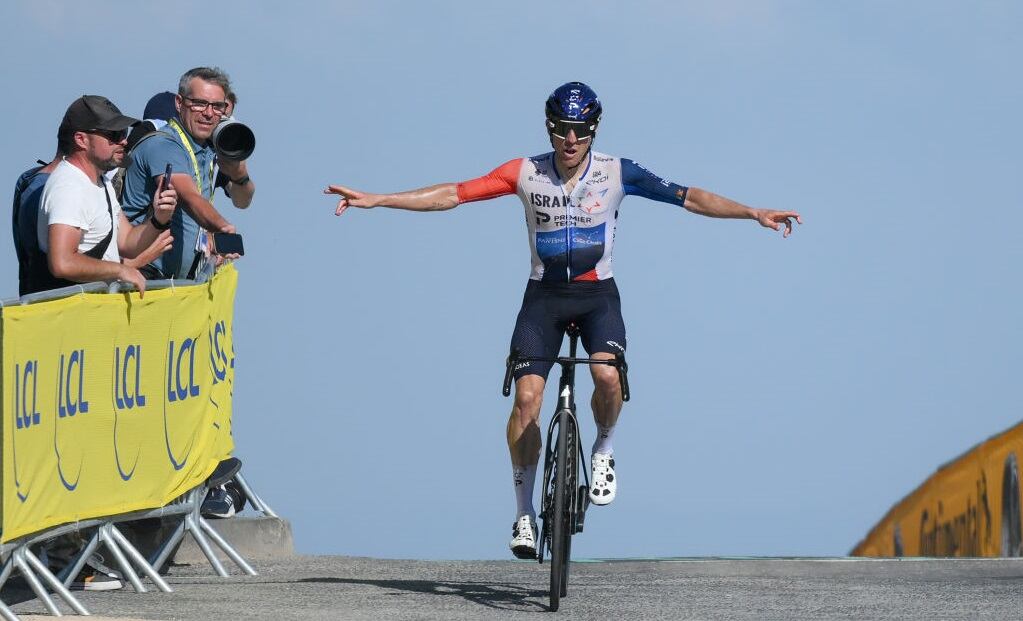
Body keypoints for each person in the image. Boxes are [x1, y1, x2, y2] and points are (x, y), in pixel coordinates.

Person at [325, 82, 802, 559]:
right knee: (527, 401)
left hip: (597, 297)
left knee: (606, 376)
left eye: (579, 131)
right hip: (544, 298)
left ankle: (603, 450)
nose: (570, 140)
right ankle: (523, 514)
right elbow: (454, 194)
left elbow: (689, 197)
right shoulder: (525, 173)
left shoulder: (618, 172)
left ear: (593, 130)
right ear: (549, 129)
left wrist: (752, 212)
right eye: (560, 130)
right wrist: (379, 198)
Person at [35, 95, 177, 298]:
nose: (124, 140)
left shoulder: (101, 182)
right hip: (73, 320)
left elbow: (128, 242)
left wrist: (159, 218)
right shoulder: (69, 187)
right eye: (113, 134)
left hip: (95, 314)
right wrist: (120, 270)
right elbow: (62, 263)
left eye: (123, 132)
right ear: (81, 139)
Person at [122, 67, 255, 280]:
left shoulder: (207, 149)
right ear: (179, 103)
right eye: (199, 103)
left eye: (217, 106)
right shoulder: (164, 144)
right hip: (143, 274)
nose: (209, 113)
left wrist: (239, 175)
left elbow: (243, 201)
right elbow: (189, 197)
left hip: (176, 282)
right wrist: (221, 228)